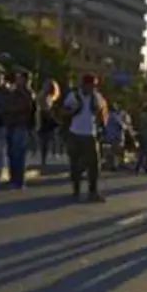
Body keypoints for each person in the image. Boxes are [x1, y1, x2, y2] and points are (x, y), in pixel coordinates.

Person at [62, 73, 108, 202]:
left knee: (94, 165)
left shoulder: (97, 97)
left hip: (90, 134)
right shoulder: (74, 96)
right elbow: (64, 112)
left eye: (94, 86)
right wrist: (72, 110)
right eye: (89, 85)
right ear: (83, 85)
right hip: (75, 133)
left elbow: (102, 114)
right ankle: (76, 189)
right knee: (75, 164)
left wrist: (101, 125)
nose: (92, 88)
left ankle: (93, 192)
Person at [2, 68, 35, 189]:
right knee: (11, 153)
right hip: (11, 124)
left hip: (21, 125)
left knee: (18, 153)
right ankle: (13, 178)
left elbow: (22, 107)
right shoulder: (13, 92)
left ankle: (19, 180)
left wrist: (10, 108)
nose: (18, 80)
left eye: (20, 78)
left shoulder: (27, 93)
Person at [37, 79, 61, 167]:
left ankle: (52, 153)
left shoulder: (49, 96)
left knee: (50, 138)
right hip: (44, 118)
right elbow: (43, 108)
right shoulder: (43, 96)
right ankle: (45, 157)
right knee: (45, 140)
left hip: (47, 118)